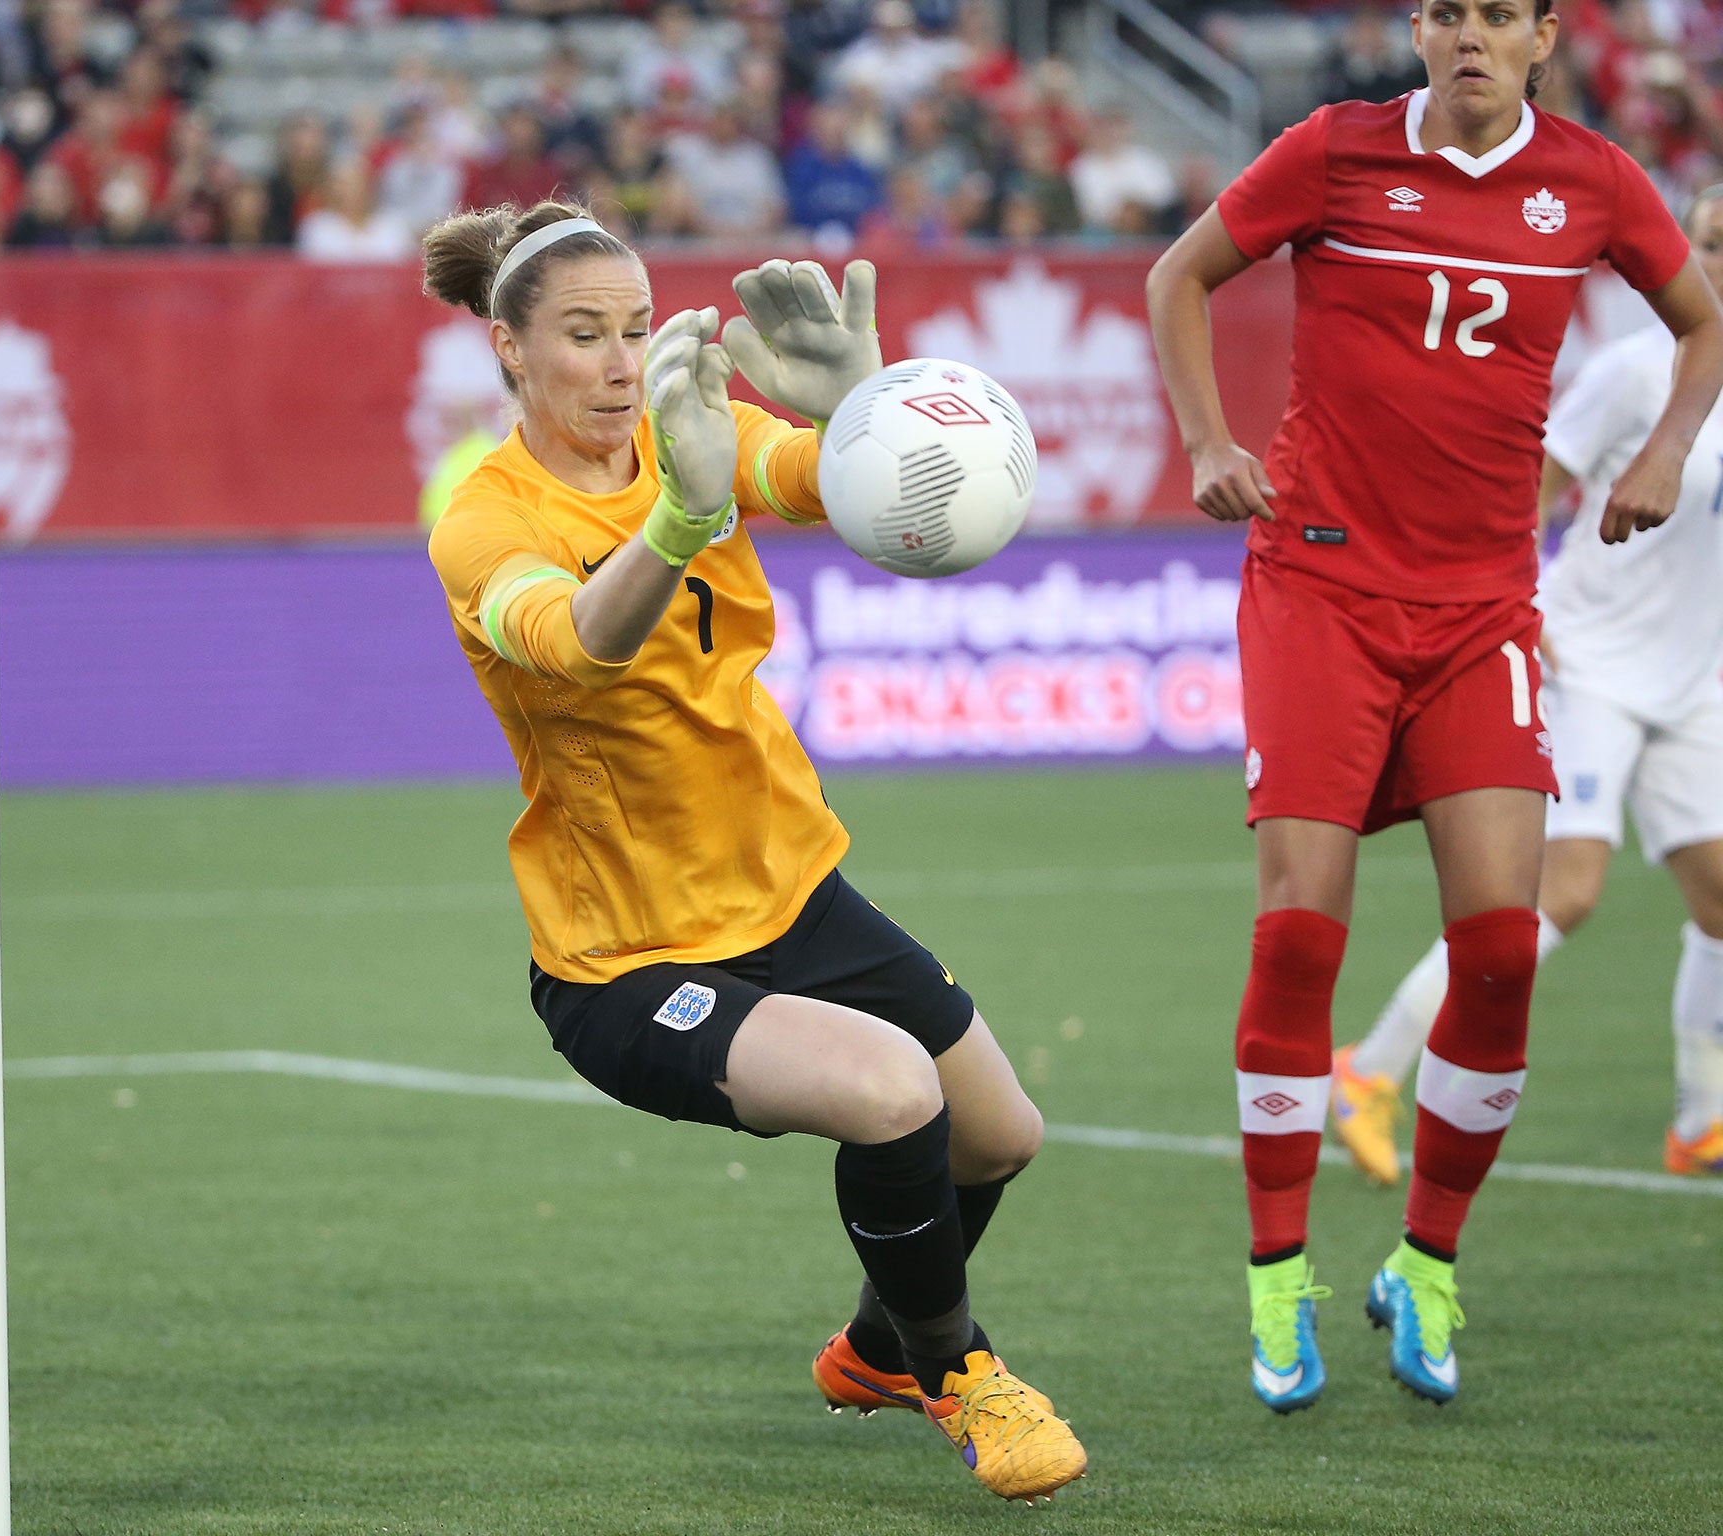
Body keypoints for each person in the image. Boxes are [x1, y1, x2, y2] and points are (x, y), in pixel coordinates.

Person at [422, 199, 1086, 1504]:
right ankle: (962, 1376)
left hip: (792, 892)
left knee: (997, 1135)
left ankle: (879, 1349)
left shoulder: (698, 440)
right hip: (628, 958)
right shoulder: (484, 519)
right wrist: (679, 515)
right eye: (579, 337)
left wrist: (863, 412)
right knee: (896, 1091)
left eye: (631, 330)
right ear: (508, 347)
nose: (617, 364)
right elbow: (574, 640)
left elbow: (845, 495)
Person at [1145, 0, 1723, 1413]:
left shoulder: (1590, 180)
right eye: (1447, 12)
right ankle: (1278, 1283)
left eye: (1499, 16)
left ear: (1540, 41)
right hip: (1321, 589)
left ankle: (1429, 1265)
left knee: (1506, 951)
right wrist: (1211, 438)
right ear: (1421, 32)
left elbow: (1701, 325)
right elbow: (1178, 276)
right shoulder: (1331, 153)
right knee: (1299, 930)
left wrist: (1662, 452)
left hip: (1480, 612)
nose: (1470, 36)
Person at [1333, 186, 1723, 1186]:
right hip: (1586, 662)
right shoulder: (1634, 376)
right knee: (1564, 892)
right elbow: (1525, 501)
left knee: (1719, 902)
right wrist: (1520, 614)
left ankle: (1700, 1121)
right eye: (1711, 247)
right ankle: (1367, 1072)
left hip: (1690, 683)